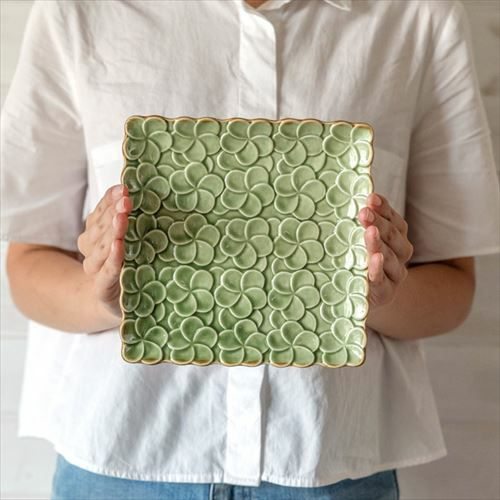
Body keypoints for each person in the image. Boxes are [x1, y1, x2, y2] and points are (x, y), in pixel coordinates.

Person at [1, 0, 499, 499]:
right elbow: (28, 262)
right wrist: (103, 295)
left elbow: (453, 285)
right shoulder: (78, 11)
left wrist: (367, 296)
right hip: (120, 460)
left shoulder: (416, 17)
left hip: (328, 468)